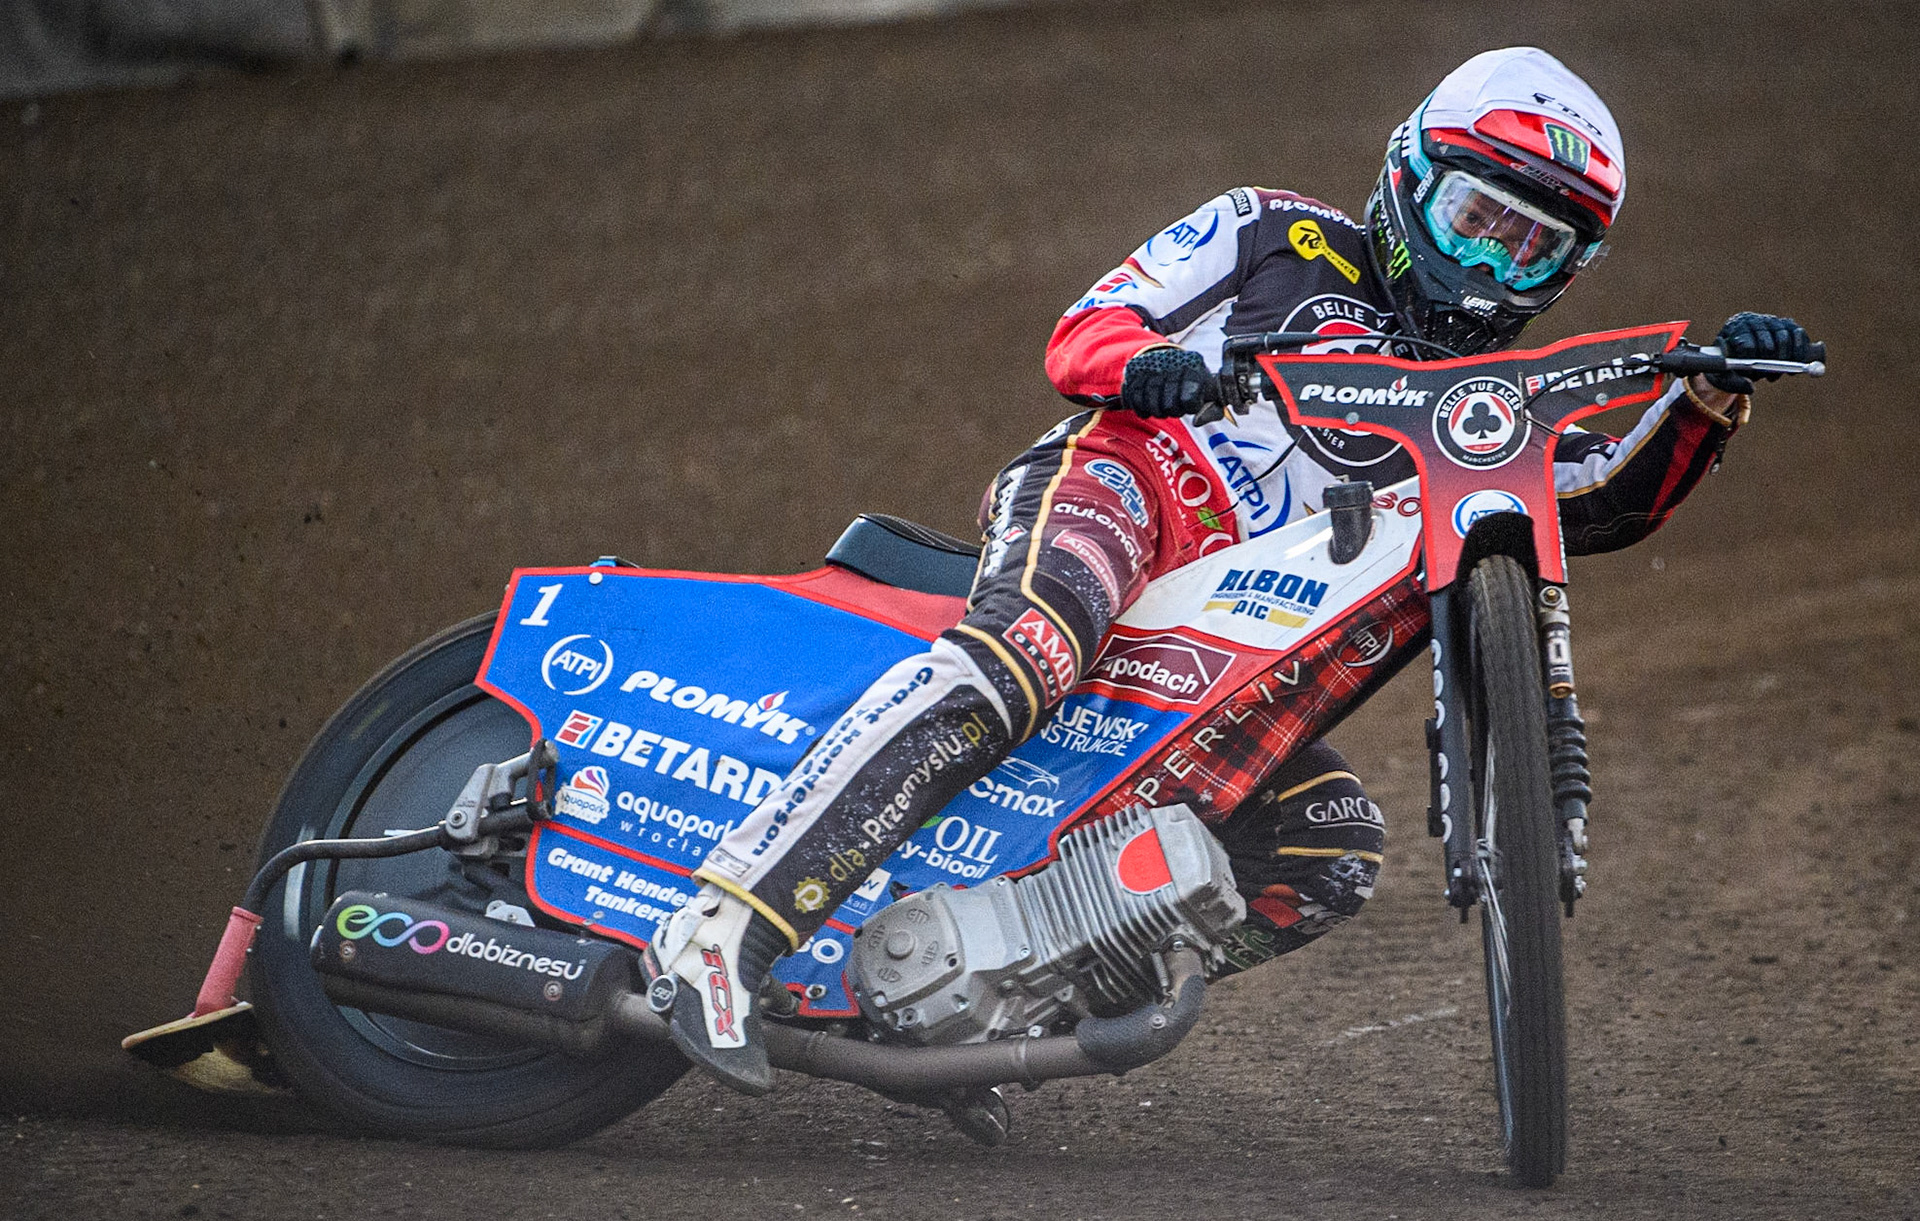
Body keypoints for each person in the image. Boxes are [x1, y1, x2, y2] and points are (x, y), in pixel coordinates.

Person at [646, 46, 1816, 1096]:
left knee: (1328, 848)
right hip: (1133, 489)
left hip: (1231, 652)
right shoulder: (1273, 232)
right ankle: (725, 926)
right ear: (1409, 178)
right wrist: (1149, 367)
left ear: (1567, 271)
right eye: (1472, 220)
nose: (1485, 266)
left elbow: (1595, 502)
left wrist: (1707, 399)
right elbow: (1086, 331)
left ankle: (982, 1015)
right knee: (1028, 649)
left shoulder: (1486, 411)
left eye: (1528, 249)